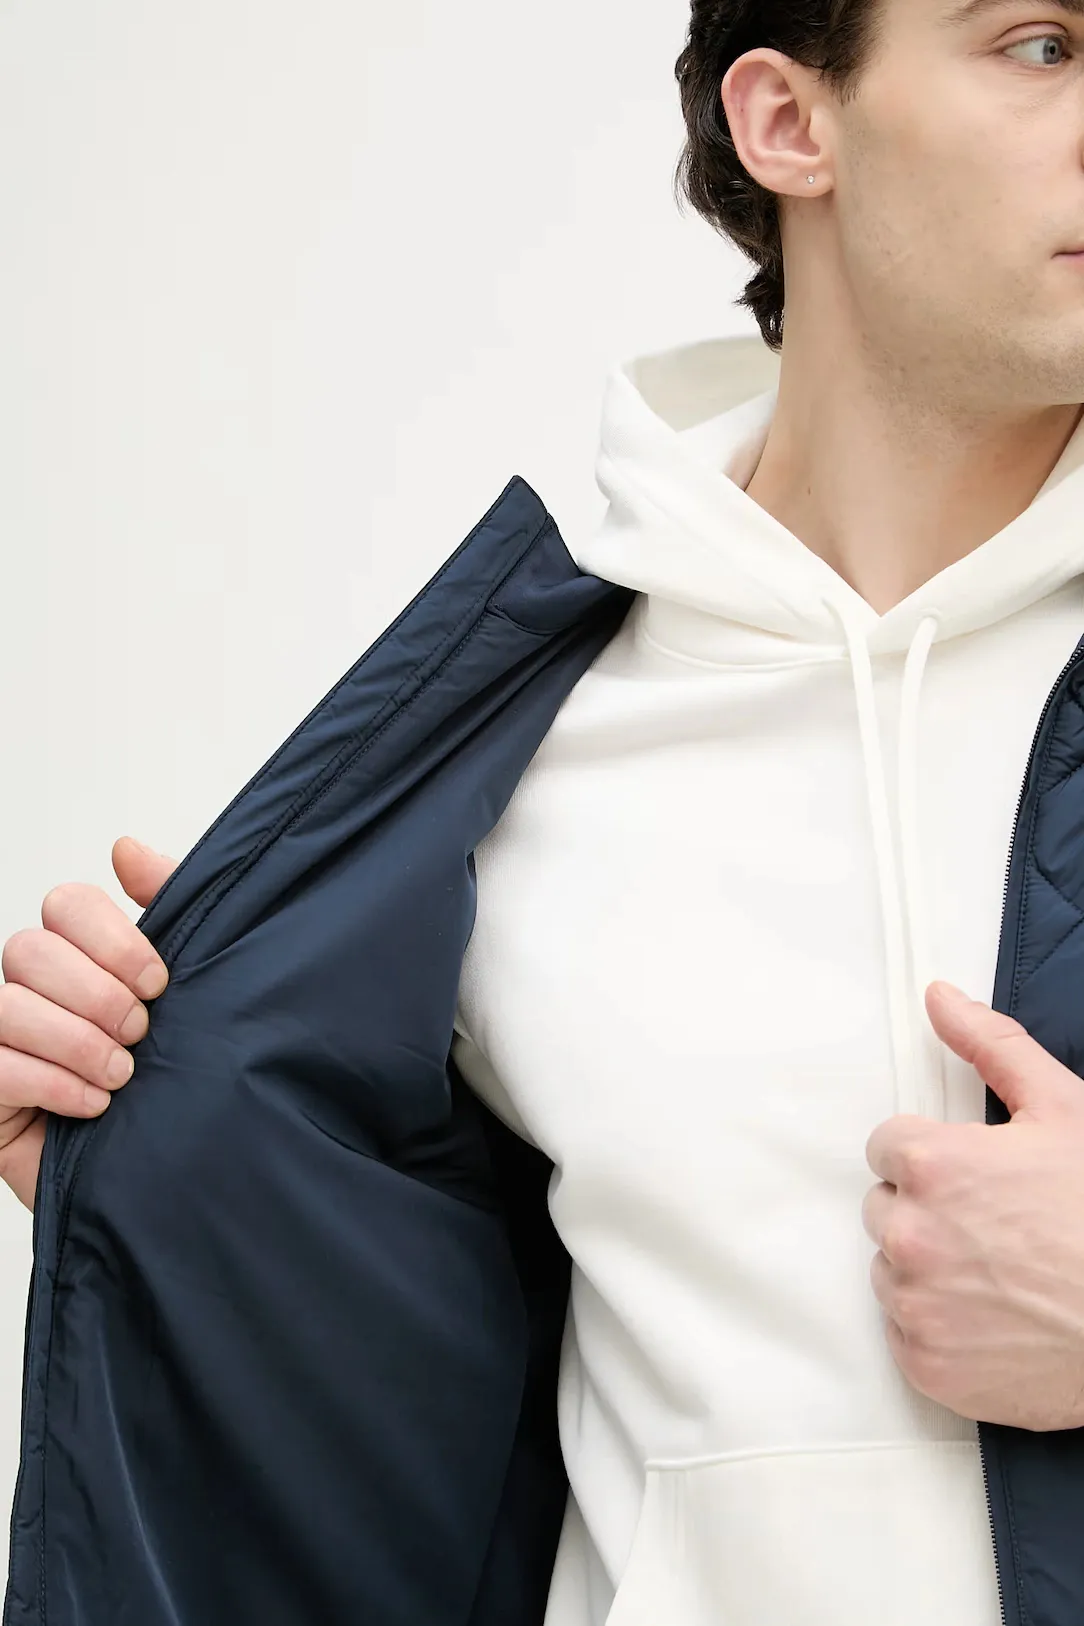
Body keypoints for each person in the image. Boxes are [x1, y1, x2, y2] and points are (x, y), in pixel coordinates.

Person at [6, 0, 1084, 1620]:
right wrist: (170, 1189)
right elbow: (412, 1440)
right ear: (790, 123)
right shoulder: (509, 767)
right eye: (1043, 45)